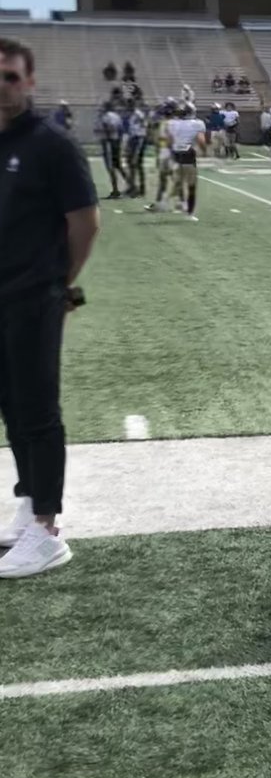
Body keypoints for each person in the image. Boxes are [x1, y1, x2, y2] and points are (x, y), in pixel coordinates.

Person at [0, 37, 100, 578]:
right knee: (10, 406)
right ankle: (27, 499)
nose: (3, 86)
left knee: (38, 409)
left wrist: (59, 282)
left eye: (11, 76)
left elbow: (85, 222)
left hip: (35, 294)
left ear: (29, 82)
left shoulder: (51, 146)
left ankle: (47, 528)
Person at [168, 105, 206, 220]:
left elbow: (169, 140)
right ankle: (189, 213)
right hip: (188, 154)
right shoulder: (197, 123)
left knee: (178, 180)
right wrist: (204, 151)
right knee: (191, 185)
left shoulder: (172, 123)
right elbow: (201, 140)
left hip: (175, 154)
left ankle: (181, 202)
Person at [97, 103, 129, 199]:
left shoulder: (106, 117)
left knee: (111, 167)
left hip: (108, 142)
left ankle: (115, 190)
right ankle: (132, 185)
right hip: (116, 142)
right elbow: (121, 129)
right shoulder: (117, 116)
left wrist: (105, 134)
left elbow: (108, 128)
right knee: (118, 165)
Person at [125, 101, 147, 198]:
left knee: (137, 164)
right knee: (131, 164)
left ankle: (141, 188)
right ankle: (132, 187)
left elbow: (143, 129)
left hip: (138, 139)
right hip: (133, 139)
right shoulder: (132, 115)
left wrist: (138, 148)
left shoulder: (139, 115)